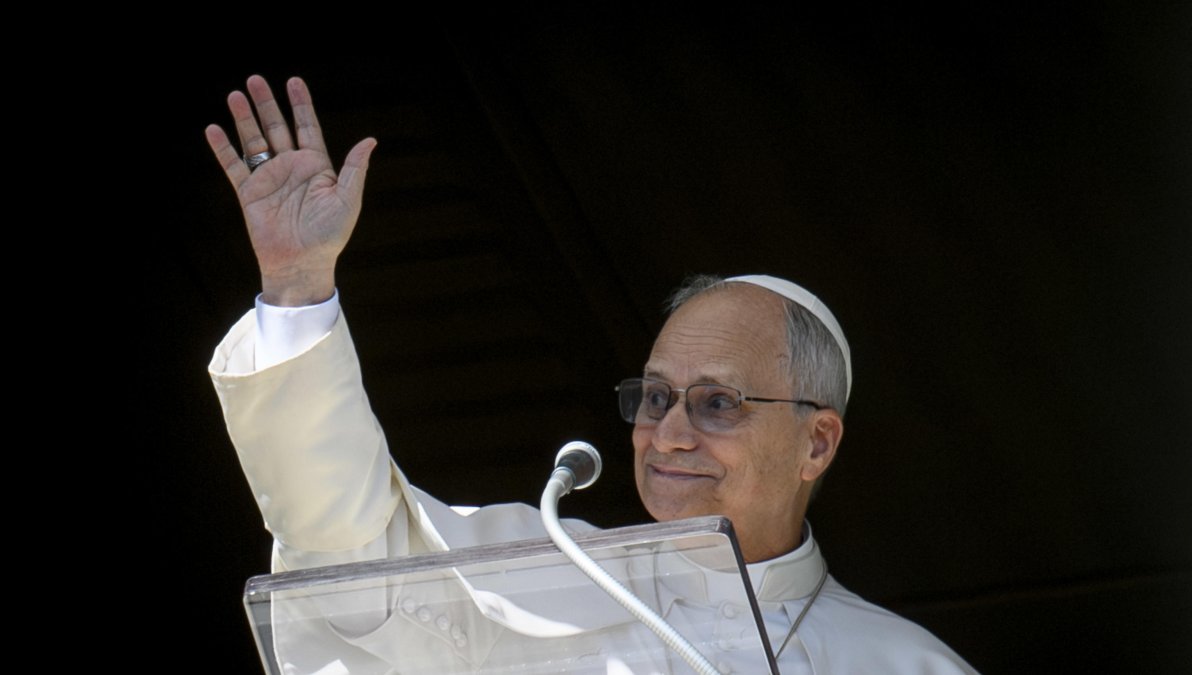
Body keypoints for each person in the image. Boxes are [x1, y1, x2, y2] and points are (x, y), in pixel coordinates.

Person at [208, 75, 977, 674]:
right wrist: (299, 286)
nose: (668, 434)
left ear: (817, 442)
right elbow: (342, 550)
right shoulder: (533, 583)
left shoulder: (904, 662)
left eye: (717, 403)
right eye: (655, 398)